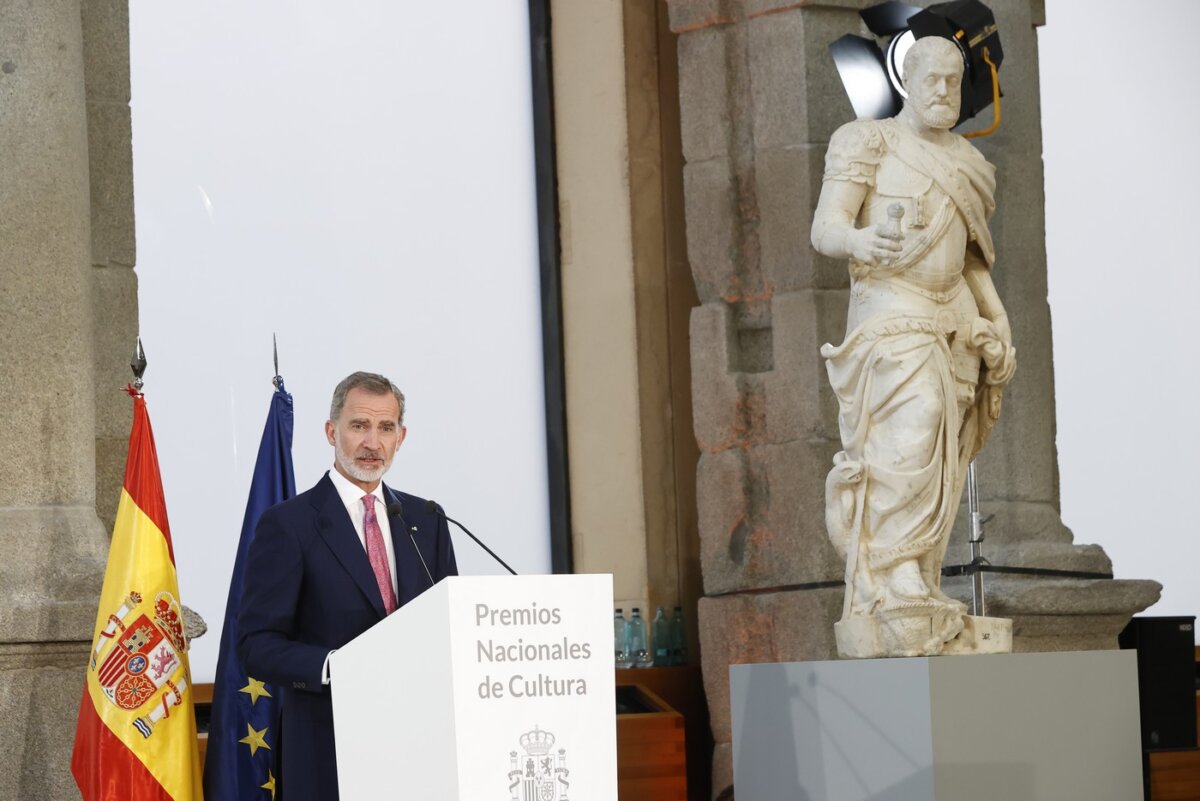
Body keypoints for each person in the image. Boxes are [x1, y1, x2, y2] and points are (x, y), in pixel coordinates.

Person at [810, 36, 1016, 658]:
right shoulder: (865, 141)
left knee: (948, 449)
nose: (944, 91)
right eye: (932, 79)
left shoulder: (970, 164)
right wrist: (859, 241)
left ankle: (918, 578)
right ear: (907, 79)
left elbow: (973, 261)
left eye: (954, 81)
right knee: (917, 417)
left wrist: (997, 320)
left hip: (953, 312)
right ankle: (893, 569)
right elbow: (826, 227)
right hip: (890, 304)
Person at [238, 371, 458, 800]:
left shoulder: (426, 520)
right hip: (327, 748)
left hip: (419, 745)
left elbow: (447, 625)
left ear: (401, 437)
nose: (373, 442)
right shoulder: (289, 524)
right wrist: (336, 667)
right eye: (359, 425)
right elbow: (256, 644)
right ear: (331, 431)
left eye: (386, 427)